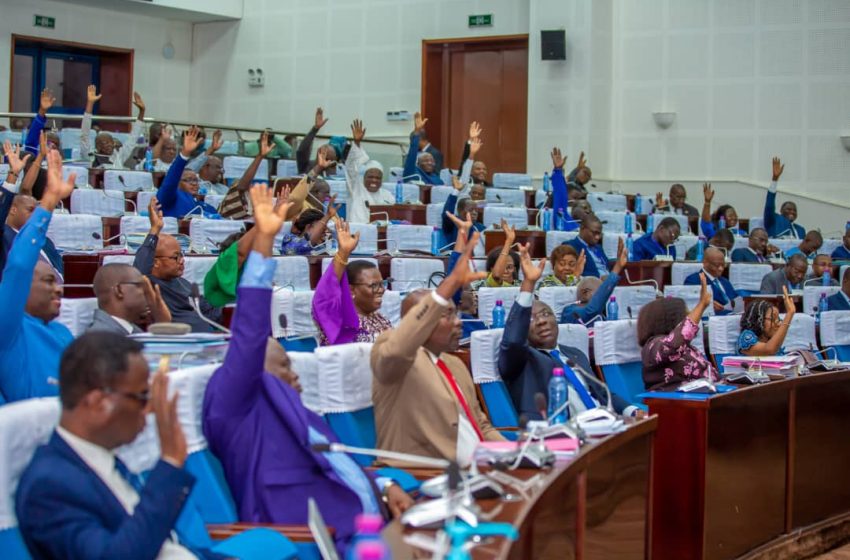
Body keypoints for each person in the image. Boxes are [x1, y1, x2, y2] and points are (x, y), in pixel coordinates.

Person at [203, 185, 412, 555]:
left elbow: (336, 466)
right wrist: (265, 240)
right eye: (284, 365)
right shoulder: (232, 407)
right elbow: (250, 335)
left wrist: (381, 486)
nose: (295, 373)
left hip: (371, 525)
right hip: (314, 542)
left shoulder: (296, 407)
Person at [16, 333, 220, 559]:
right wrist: (170, 461)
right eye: (143, 397)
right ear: (98, 403)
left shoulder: (100, 459)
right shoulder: (49, 486)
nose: (149, 410)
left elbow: (166, 542)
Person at [371, 230, 504, 466]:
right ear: (420, 321)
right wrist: (448, 285)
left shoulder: (454, 363)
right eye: (447, 315)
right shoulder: (392, 352)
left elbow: (480, 424)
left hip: (480, 468)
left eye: (456, 314)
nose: (458, 322)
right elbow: (397, 351)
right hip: (427, 476)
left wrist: (514, 454)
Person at [499, 244, 637, 420]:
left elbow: (603, 393)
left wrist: (632, 410)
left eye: (546, 314)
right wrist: (528, 284)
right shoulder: (522, 359)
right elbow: (512, 342)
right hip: (564, 433)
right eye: (531, 319)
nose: (541, 321)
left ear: (556, 321)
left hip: (604, 424)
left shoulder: (574, 354)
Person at [0, 149, 74, 403]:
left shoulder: (63, 333)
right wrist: (48, 202)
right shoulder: (8, 328)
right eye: (47, 281)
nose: (60, 289)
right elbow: (20, 265)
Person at [133, 199, 223, 332]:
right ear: (156, 262)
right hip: (181, 344)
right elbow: (139, 270)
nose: (182, 261)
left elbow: (212, 314)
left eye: (182, 255)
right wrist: (155, 229)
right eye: (176, 257)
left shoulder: (183, 283)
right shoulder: (150, 284)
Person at [312, 217, 391, 345]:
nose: (381, 290)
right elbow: (324, 295)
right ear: (351, 289)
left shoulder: (382, 320)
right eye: (374, 285)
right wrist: (343, 253)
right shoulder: (339, 319)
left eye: (382, 284)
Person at [639, 273, 719, 391]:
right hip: (676, 403)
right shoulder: (653, 345)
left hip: (706, 397)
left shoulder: (689, 348)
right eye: (686, 315)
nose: (691, 318)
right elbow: (673, 345)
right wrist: (701, 305)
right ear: (671, 320)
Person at [155, 126, 219, 219]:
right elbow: (171, 180)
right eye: (188, 180)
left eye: (196, 180)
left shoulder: (205, 207)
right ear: (177, 183)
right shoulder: (169, 198)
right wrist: (184, 154)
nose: (194, 184)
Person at [88, 264, 171, 334]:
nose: (147, 293)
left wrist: (161, 321)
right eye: (142, 286)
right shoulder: (100, 338)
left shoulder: (130, 329)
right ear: (119, 290)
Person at [561, 238, 628, 325]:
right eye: (599, 292)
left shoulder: (601, 314)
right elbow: (592, 309)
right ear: (585, 292)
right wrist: (617, 267)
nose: (603, 297)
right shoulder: (570, 311)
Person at [80, 86, 145, 169]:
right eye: (105, 143)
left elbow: (132, 140)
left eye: (111, 142)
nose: (109, 145)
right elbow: (84, 135)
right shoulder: (90, 156)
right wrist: (90, 103)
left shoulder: (118, 156)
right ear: (97, 146)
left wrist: (142, 112)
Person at [344, 119, 394, 224]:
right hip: (357, 233)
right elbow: (350, 168)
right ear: (364, 178)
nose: (374, 180)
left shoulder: (388, 196)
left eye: (378, 178)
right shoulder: (356, 189)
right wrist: (357, 142)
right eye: (370, 176)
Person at [444, 216, 487, 337]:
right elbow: (454, 277)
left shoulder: (477, 322)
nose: (475, 294)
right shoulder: (454, 321)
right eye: (469, 290)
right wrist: (462, 233)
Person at [217, 130, 275, 220]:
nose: (221, 171)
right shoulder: (233, 195)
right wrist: (260, 157)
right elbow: (241, 187)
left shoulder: (224, 188)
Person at [737, 289, 795, 355]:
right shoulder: (746, 337)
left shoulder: (771, 340)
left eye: (778, 319)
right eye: (773, 319)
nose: (778, 324)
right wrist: (789, 314)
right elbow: (769, 350)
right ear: (758, 320)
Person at [684, 247, 741, 315]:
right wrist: (709, 305)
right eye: (716, 265)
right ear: (705, 263)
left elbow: (736, 300)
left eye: (723, 265)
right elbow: (692, 303)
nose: (721, 268)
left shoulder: (725, 281)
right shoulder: (694, 280)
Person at [764, 157, 805, 239]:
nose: (792, 212)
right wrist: (774, 180)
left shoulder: (801, 230)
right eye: (789, 209)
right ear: (781, 211)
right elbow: (769, 205)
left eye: (794, 210)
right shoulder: (773, 220)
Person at [296, 107, 342, 176]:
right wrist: (315, 129)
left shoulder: (337, 172)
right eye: (325, 157)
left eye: (330, 159)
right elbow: (302, 151)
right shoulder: (307, 166)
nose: (327, 162)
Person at [442, 175, 485, 244]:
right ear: (460, 211)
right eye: (471, 210)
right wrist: (456, 190)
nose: (474, 213)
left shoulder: (480, 227)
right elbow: (447, 213)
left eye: (476, 210)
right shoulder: (453, 224)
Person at [403, 113, 442, 185]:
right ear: (418, 163)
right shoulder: (413, 172)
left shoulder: (438, 180)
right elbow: (412, 155)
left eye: (432, 161)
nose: (430, 163)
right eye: (426, 161)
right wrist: (417, 131)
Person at [480, 220, 520, 287]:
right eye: (501, 266)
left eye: (509, 267)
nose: (505, 271)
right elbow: (497, 276)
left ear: (515, 269)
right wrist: (509, 241)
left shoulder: (521, 286)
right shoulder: (486, 284)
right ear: (491, 268)